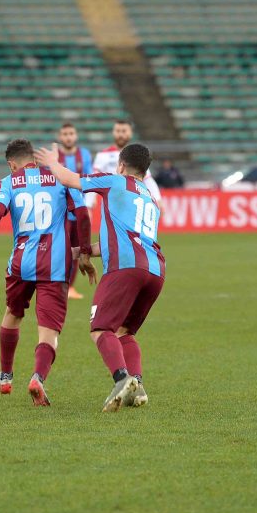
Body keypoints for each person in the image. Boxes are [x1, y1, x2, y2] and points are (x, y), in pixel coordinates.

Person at [35, 142, 164, 413]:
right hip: (155, 270)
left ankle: (122, 379)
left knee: (100, 329)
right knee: (124, 332)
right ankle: (137, 386)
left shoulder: (115, 181)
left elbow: (70, 180)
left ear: (121, 165)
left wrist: (53, 162)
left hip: (125, 267)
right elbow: (121, 239)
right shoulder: (150, 199)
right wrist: (78, 252)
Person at [0, 138, 91, 407]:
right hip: (55, 264)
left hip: (21, 263)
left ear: (12, 164)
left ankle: (5, 376)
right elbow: (83, 214)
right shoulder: (60, 178)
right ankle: (37, 378)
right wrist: (83, 252)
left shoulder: (9, 182)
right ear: (34, 159)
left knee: (13, 313)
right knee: (49, 331)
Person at [56, 122, 93, 300]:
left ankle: (70, 287)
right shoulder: (54, 157)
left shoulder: (84, 155)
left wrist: (88, 207)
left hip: (78, 212)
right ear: (60, 136)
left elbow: (89, 181)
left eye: (71, 133)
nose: (68, 137)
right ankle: (55, 284)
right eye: (65, 134)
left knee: (76, 251)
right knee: (58, 250)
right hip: (59, 213)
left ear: (76, 136)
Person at [93, 120, 163, 206]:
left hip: (132, 202)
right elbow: (94, 178)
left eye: (124, 131)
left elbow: (147, 179)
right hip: (109, 203)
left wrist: (158, 199)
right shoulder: (102, 155)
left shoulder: (137, 155)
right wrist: (90, 201)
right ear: (113, 132)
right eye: (118, 131)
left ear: (131, 133)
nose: (120, 135)